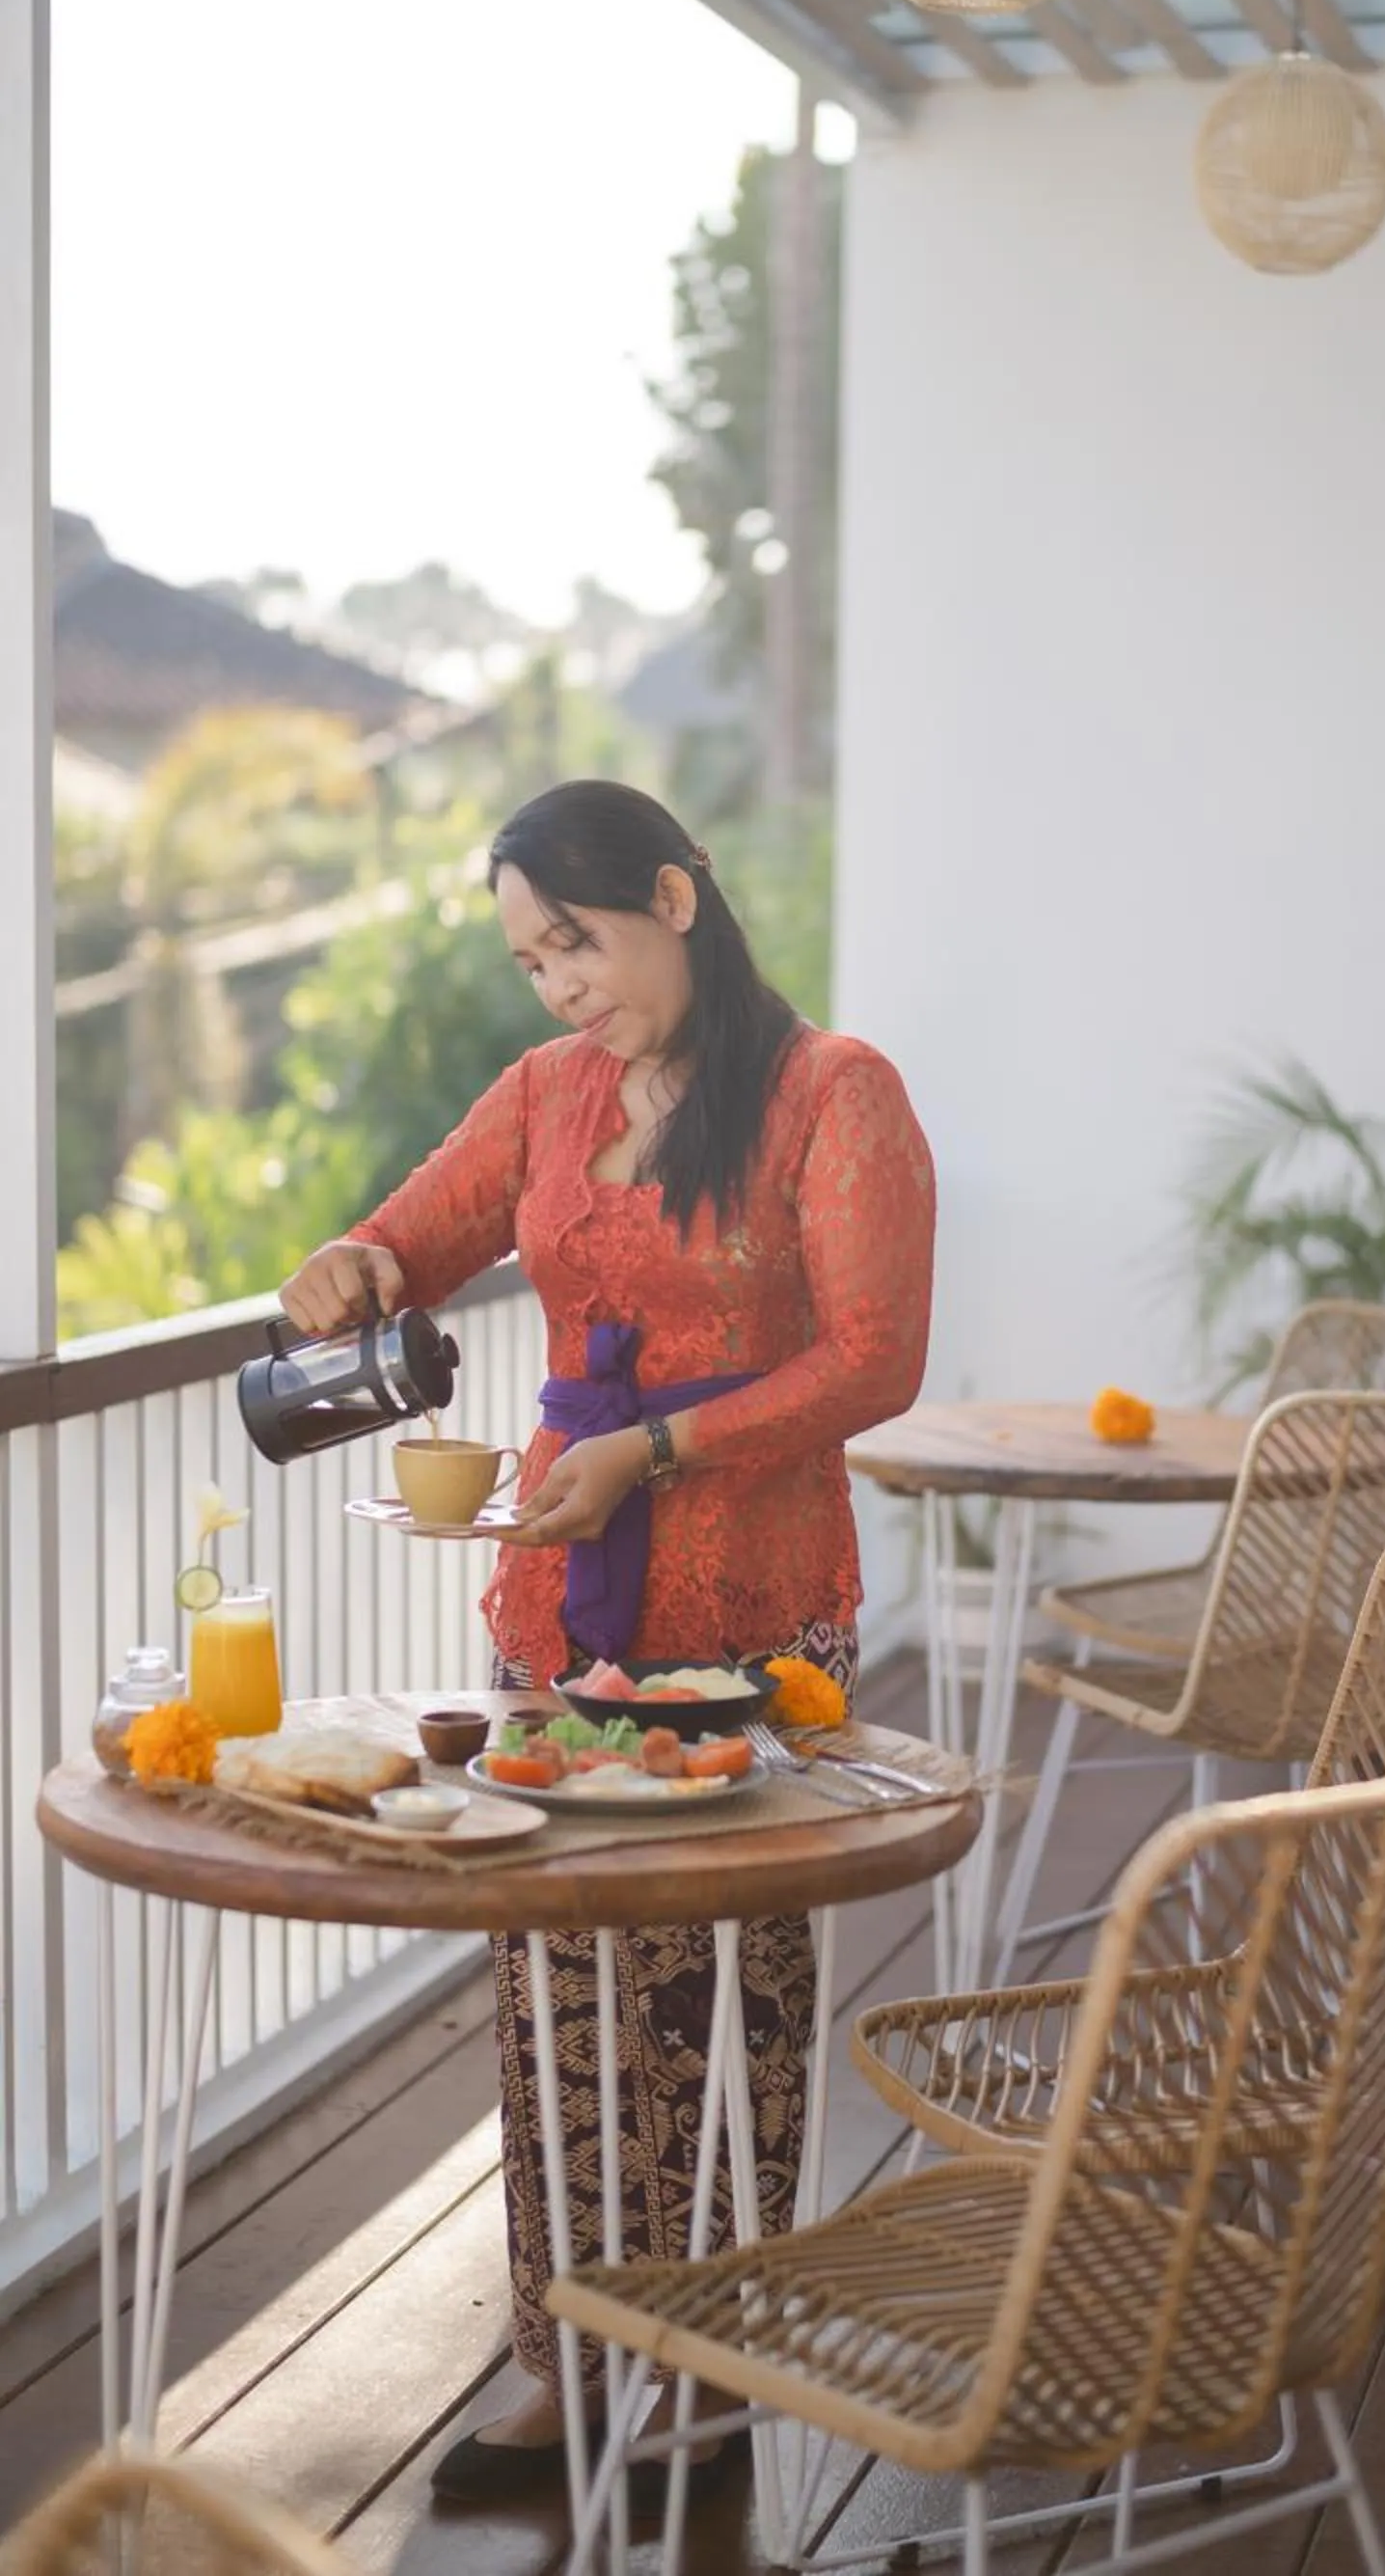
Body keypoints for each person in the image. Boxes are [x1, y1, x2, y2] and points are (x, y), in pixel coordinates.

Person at [279, 781, 936, 2507]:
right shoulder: (547, 1097)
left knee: (721, 1993)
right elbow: (417, 1234)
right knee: (554, 1984)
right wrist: (351, 1264)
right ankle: (561, 2358)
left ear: (673, 895)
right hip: (562, 1600)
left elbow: (874, 1360)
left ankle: (707, 2378)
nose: (558, 985)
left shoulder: (828, 1094)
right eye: (528, 960)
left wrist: (657, 1449)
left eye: (574, 941)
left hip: (749, 1606)